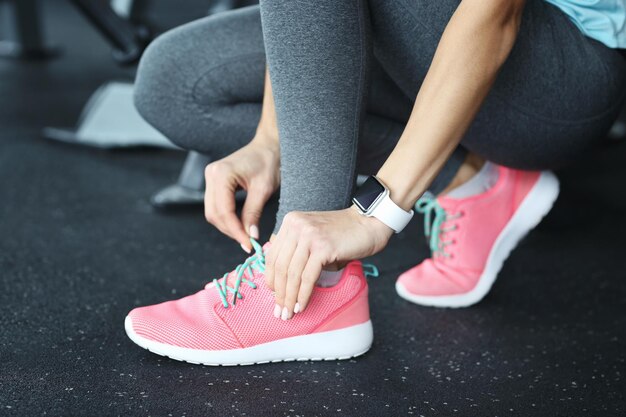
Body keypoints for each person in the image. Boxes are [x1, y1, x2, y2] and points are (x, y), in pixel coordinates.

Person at [124, 0, 626, 365]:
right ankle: (471, 182)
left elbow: (494, 16)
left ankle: (309, 287)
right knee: (177, 81)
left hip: (558, 75)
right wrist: (269, 138)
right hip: (427, 40)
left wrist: (379, 209)